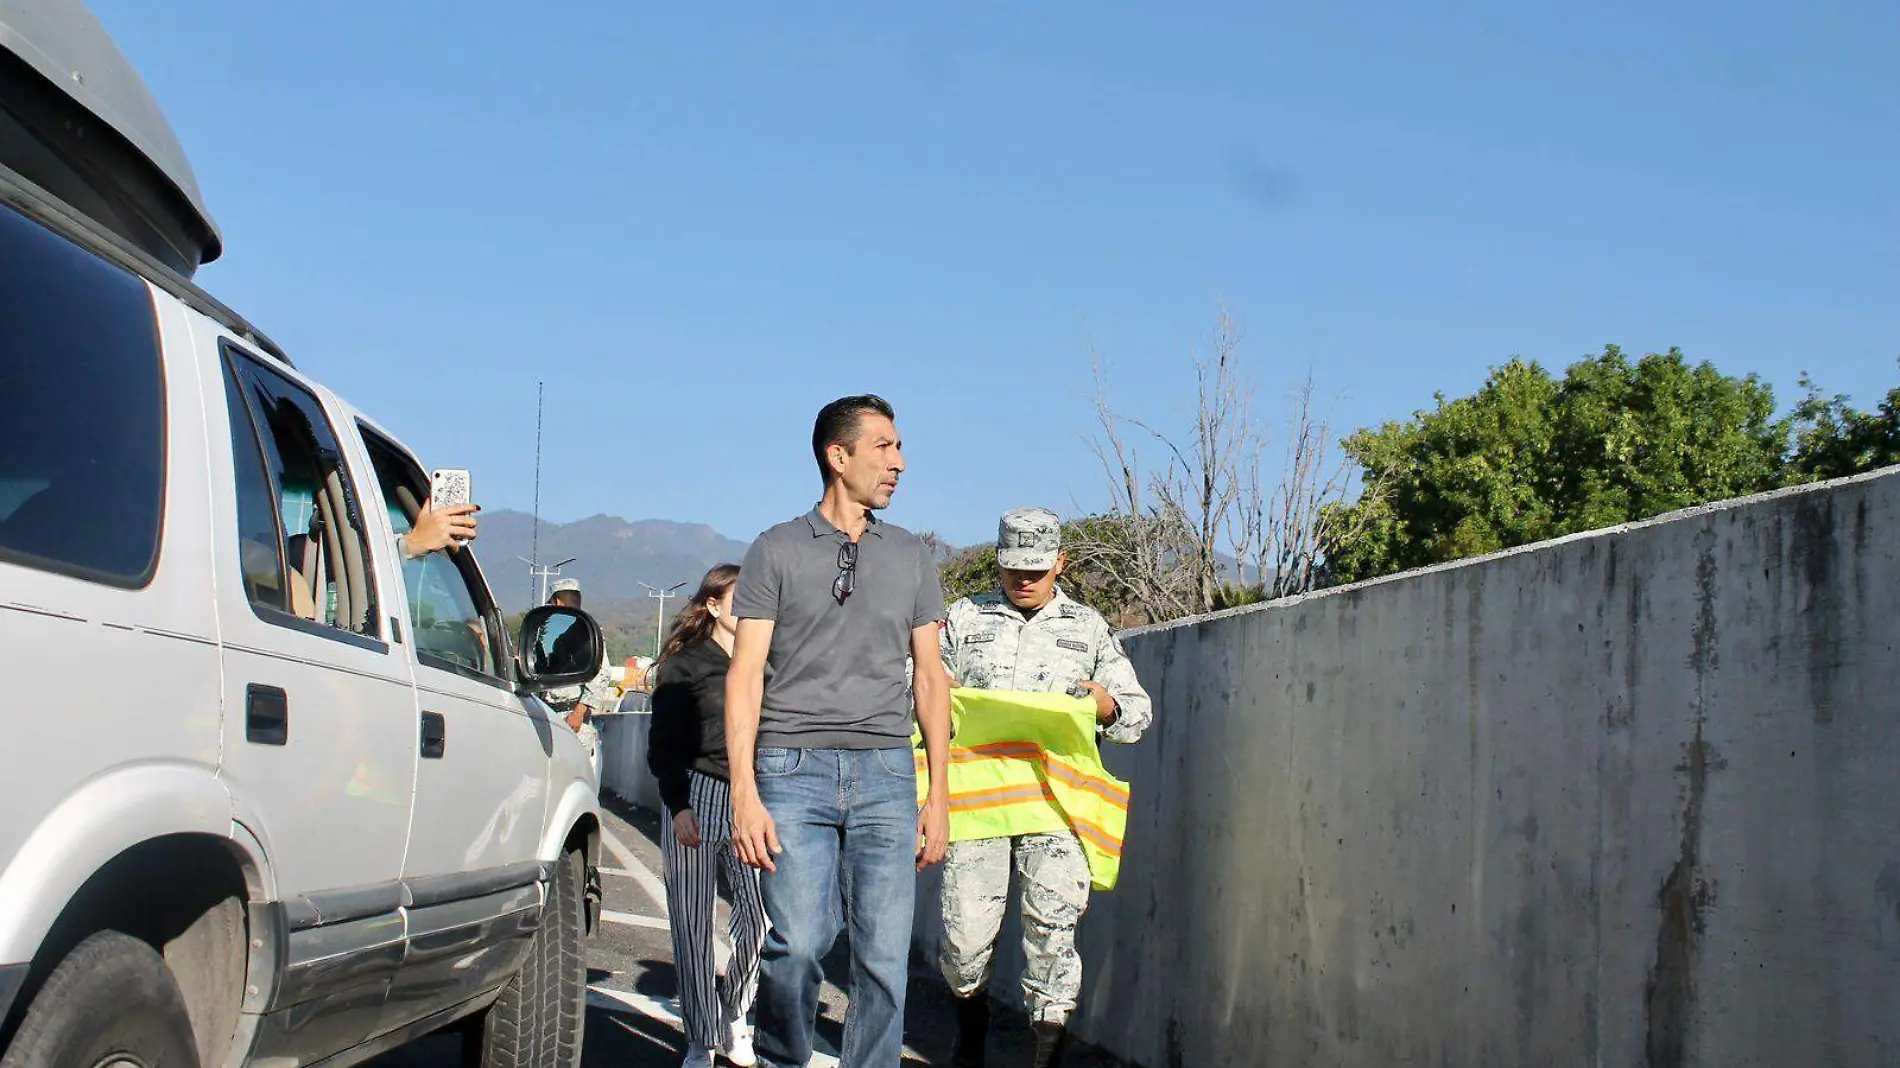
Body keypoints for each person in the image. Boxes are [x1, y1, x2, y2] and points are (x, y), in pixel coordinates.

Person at [725, 394, 954, 1068]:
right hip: (791, 770)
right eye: (884, 447)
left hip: (886, 771)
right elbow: (745, 675)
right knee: (796, 948)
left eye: (899, 448)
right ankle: (783, 1059)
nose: (899, 464)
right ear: (838, 455)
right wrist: (744, 792)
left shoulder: (911, 555)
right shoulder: (775, 549)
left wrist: (938, 795)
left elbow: (931, 678)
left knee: (884, 961)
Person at [938, 507, 1153, 1068]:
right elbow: (912, 683)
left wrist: (1105, 706)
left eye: (1036, 569)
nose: (1023, 580)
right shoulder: (962, 619)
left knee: (1052, 936)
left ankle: (1045, 1057)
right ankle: (971, 1031)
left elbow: (1136, 713)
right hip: (978, 808)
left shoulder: (1088, 629)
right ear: (998, 562)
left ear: (1060, 563)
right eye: (1013, 569)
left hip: (1056, 812)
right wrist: (938, 689)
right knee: (963, 943)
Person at [647, 564, 766, 1068]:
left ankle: (734, 1009)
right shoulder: (686, 664)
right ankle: (700, 1037)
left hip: (753, 799)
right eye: (741, 596)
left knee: (761, 918)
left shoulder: (765, 660)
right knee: (691, 921)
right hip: (696, 794)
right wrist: (677, 804)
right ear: (714, 605)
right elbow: (664, 743)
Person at [542, 577, 615, 784]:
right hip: (552, 712)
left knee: (573, 782)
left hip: (573, 718)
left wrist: (579, 712)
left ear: (557, 602)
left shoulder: (586, 632)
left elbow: (602, 673)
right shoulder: (564, 636)